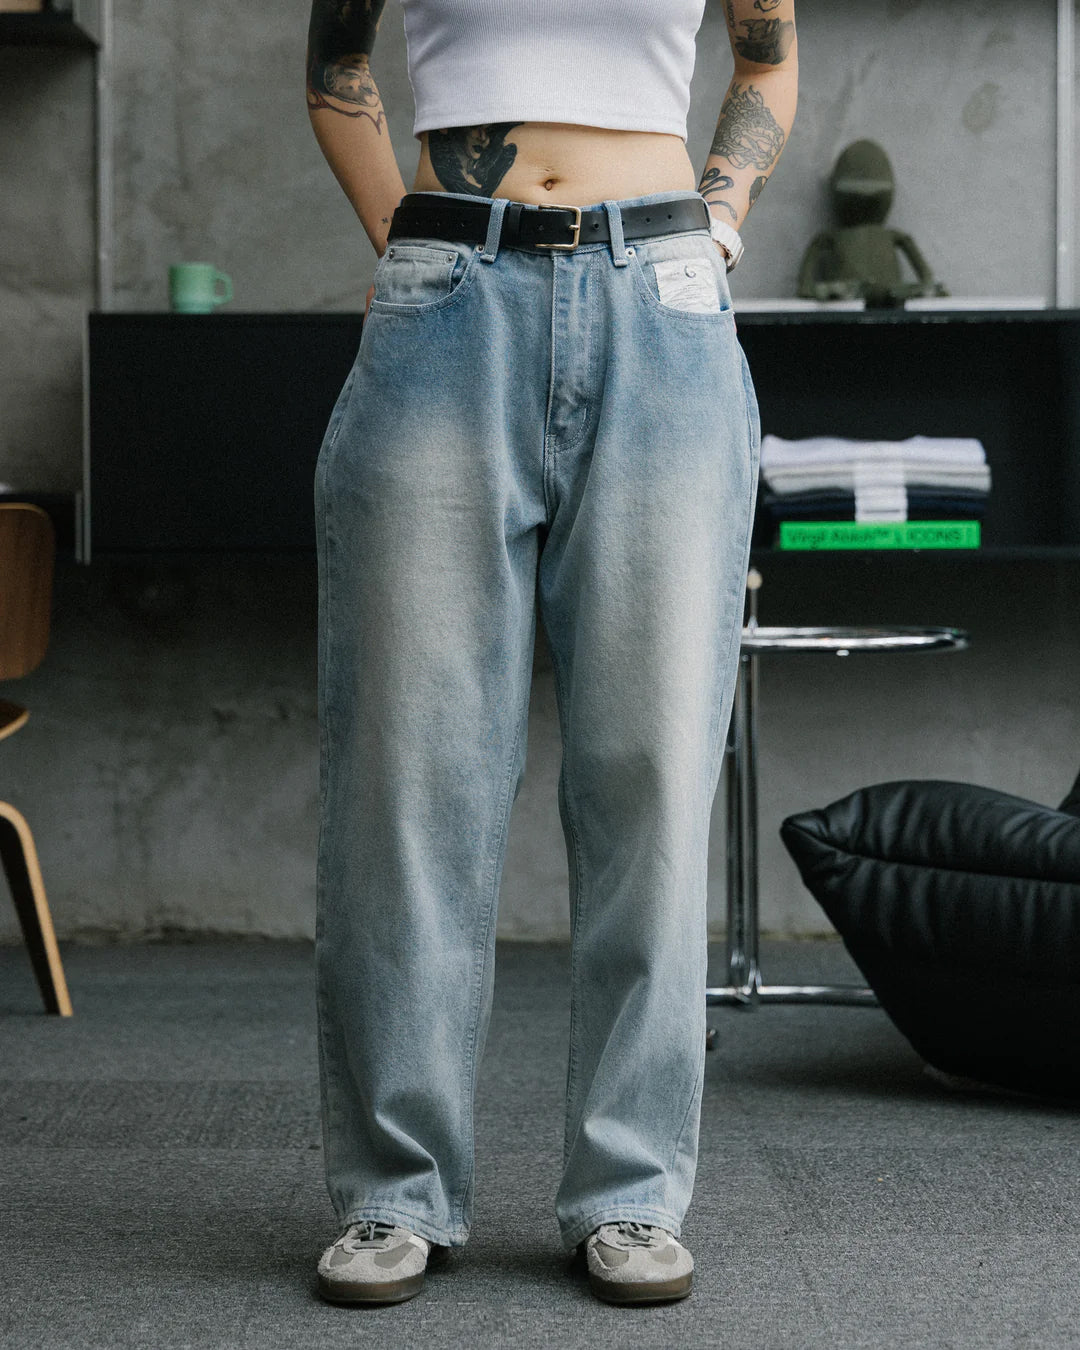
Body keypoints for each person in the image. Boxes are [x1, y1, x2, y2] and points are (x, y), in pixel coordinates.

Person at [307, 0, 798, 1308]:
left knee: (648, 772)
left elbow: (767, 61)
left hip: (661, 299)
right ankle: (394, 1190)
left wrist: (719, 218)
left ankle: (632, 1191)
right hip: (447, 294)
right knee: (406, 773)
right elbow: (333, 67)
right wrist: (410, 252)